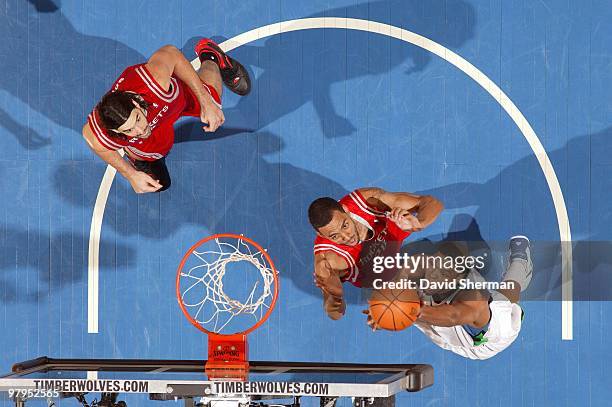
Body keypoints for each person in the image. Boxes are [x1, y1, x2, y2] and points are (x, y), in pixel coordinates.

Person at [82, 38, 250, 193]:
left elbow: (171, 53)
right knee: (156, 169)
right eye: (129, 130)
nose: (140, 129)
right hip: (154, 131)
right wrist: (130, 174)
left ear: (135, 103)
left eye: (137, 119)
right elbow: (93, 141)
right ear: (116, 131)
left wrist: (206, 102)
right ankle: (143, 156)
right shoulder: (108, 132)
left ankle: (211, 58)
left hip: (173, 102)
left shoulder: (154, 81)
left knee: (213, 103)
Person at [371, 236, 532, 360]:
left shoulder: (474, 298)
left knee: (506, 296)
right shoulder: (425, 265)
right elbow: (406, 269)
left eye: (443, 273)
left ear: (457, 278)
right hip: (446, 338)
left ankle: (521, 262)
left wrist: (404, 310)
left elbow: (453, 315)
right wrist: (386, 307)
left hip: (488, 343)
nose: (433, 274)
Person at [308, 188, 444, 320]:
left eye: (345, 226)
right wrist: (333, 299)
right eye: (334, 236)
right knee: (411, 312)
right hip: (379, 280)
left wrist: (419, 223)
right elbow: (335, 314)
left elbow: (431, 203)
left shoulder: (368, 201)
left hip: (394, 245)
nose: (346, 236)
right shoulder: (328, 259)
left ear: (346, 210)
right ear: (321, 235)